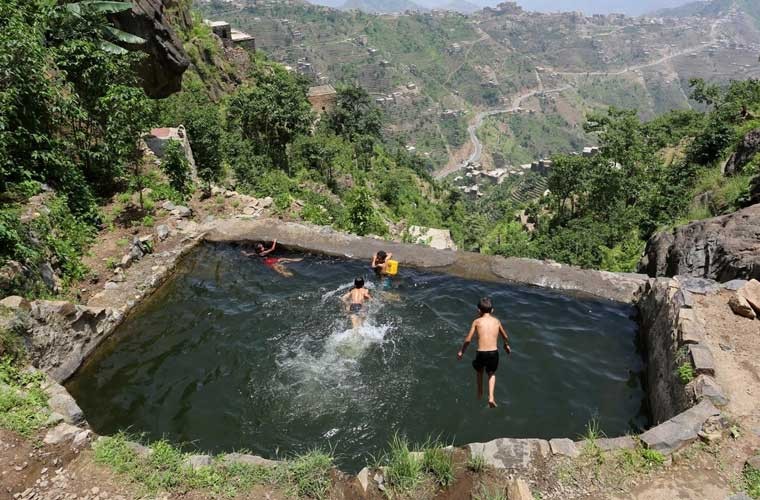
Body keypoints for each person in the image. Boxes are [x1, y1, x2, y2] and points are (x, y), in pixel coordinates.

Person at [457, 297, 511, 408]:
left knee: (479, 371)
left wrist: (462, 351)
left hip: (481, 353)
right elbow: (505, 336)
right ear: (492, 310)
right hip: (494, 353)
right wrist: (506, 345)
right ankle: (491, 397)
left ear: (478, 311)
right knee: (491, 374)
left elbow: (468, 339)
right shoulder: (496, 321)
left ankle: (480, 392)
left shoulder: (476, 321)